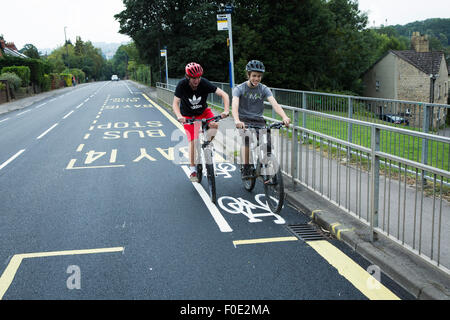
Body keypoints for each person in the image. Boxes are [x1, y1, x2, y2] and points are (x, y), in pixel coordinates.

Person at [232, 60, 290, 178]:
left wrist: (284, 117)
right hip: (244, 120)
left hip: (258, 120)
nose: (256, 79)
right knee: (247, 140)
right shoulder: (240, 88)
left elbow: (275, 104)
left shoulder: (263, 89)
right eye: (254, 76)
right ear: (248, 75)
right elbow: (234, 104)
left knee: (268, 143)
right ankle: (246, 167)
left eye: (259, 76)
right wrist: (237, 120)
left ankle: (267, 164)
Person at [173, 62, 230, 182]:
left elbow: (224, 95)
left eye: (198, 77)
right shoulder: (182, 84)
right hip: (187, 116)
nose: (196, 80)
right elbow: (175, 103)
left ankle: (207, 143)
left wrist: (226, 110)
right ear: (187, 77)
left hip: (203, 111)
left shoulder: (204, 82)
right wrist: (179, 116)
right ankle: (193, 169)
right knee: (193, 141)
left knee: (215, 124)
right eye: (193, 78)